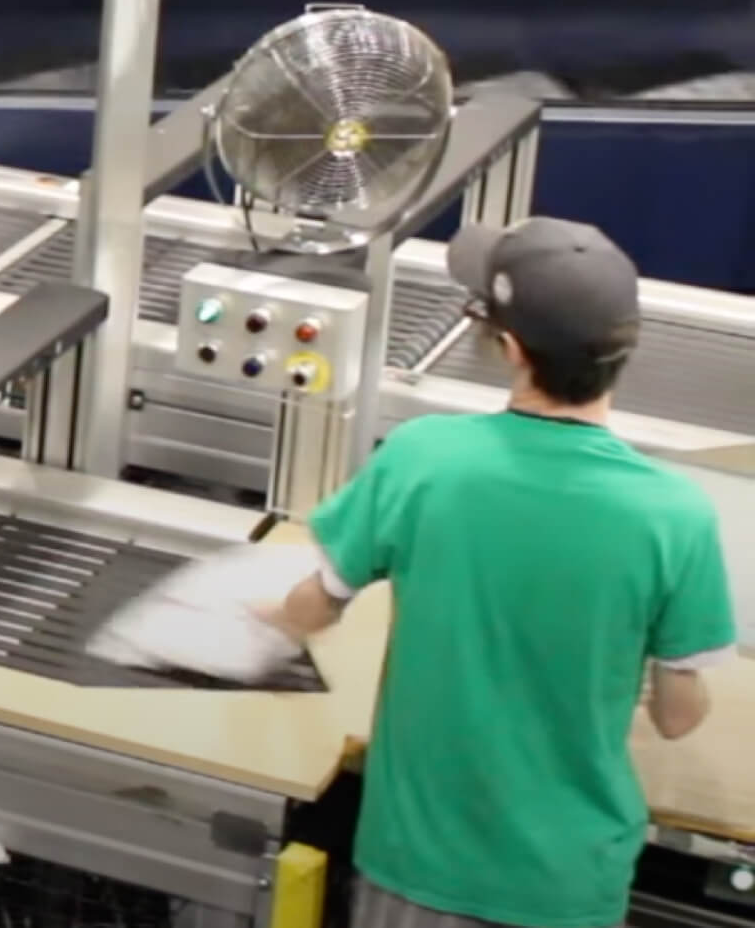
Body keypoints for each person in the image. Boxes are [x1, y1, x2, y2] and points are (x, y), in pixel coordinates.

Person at [262, 216, 737, 928]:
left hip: (420, 866)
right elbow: (677, 717)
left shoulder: (426, 458)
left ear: (511, 348)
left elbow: (312, 608)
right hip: (569, 883)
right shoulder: (676, 514)